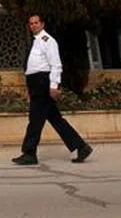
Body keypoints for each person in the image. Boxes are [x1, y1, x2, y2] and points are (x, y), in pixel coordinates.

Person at [12, 13, 93, 165]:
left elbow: (56, 65)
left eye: (36, 23)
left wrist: (54, 85)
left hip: (43, 83)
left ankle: (29, 153)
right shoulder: (35, 42)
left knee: (35, 119)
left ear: (42, 24)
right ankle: (81, 146)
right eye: (31, 23)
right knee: (55, 119)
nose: (34, 25)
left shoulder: (48, 41)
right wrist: (29, 88)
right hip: (35, 83)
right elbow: (31, 68)